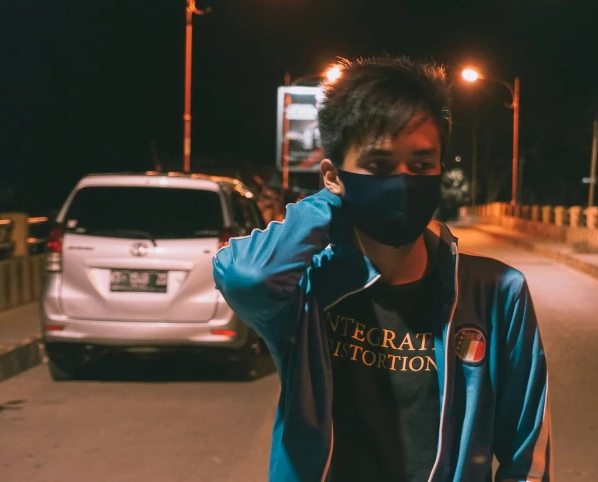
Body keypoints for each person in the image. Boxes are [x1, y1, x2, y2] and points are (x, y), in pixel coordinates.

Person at [213, 57, 552, 482]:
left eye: (422, 164)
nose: (404, 181)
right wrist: (331, 202)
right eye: (378, 166)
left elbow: (527, 455)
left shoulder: (497, 292)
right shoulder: (308, 290)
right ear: (334, 175)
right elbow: (247, 276)